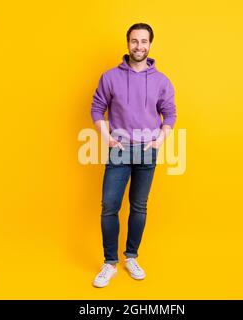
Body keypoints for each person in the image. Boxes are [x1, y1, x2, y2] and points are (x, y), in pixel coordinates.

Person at [90, 23, 177, 288]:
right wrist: (107, 138)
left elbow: (170, 113)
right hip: (119, 150)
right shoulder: (109, 77)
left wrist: (159, 141)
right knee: (109, 206)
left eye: (143, 41)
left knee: (139, 206)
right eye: (134, 41)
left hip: (147, 150)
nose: (138, 46)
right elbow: (96, 108)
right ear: (127, 43)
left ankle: (131, 257)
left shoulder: (162, 81)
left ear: (150, 44)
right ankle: (109, 263)